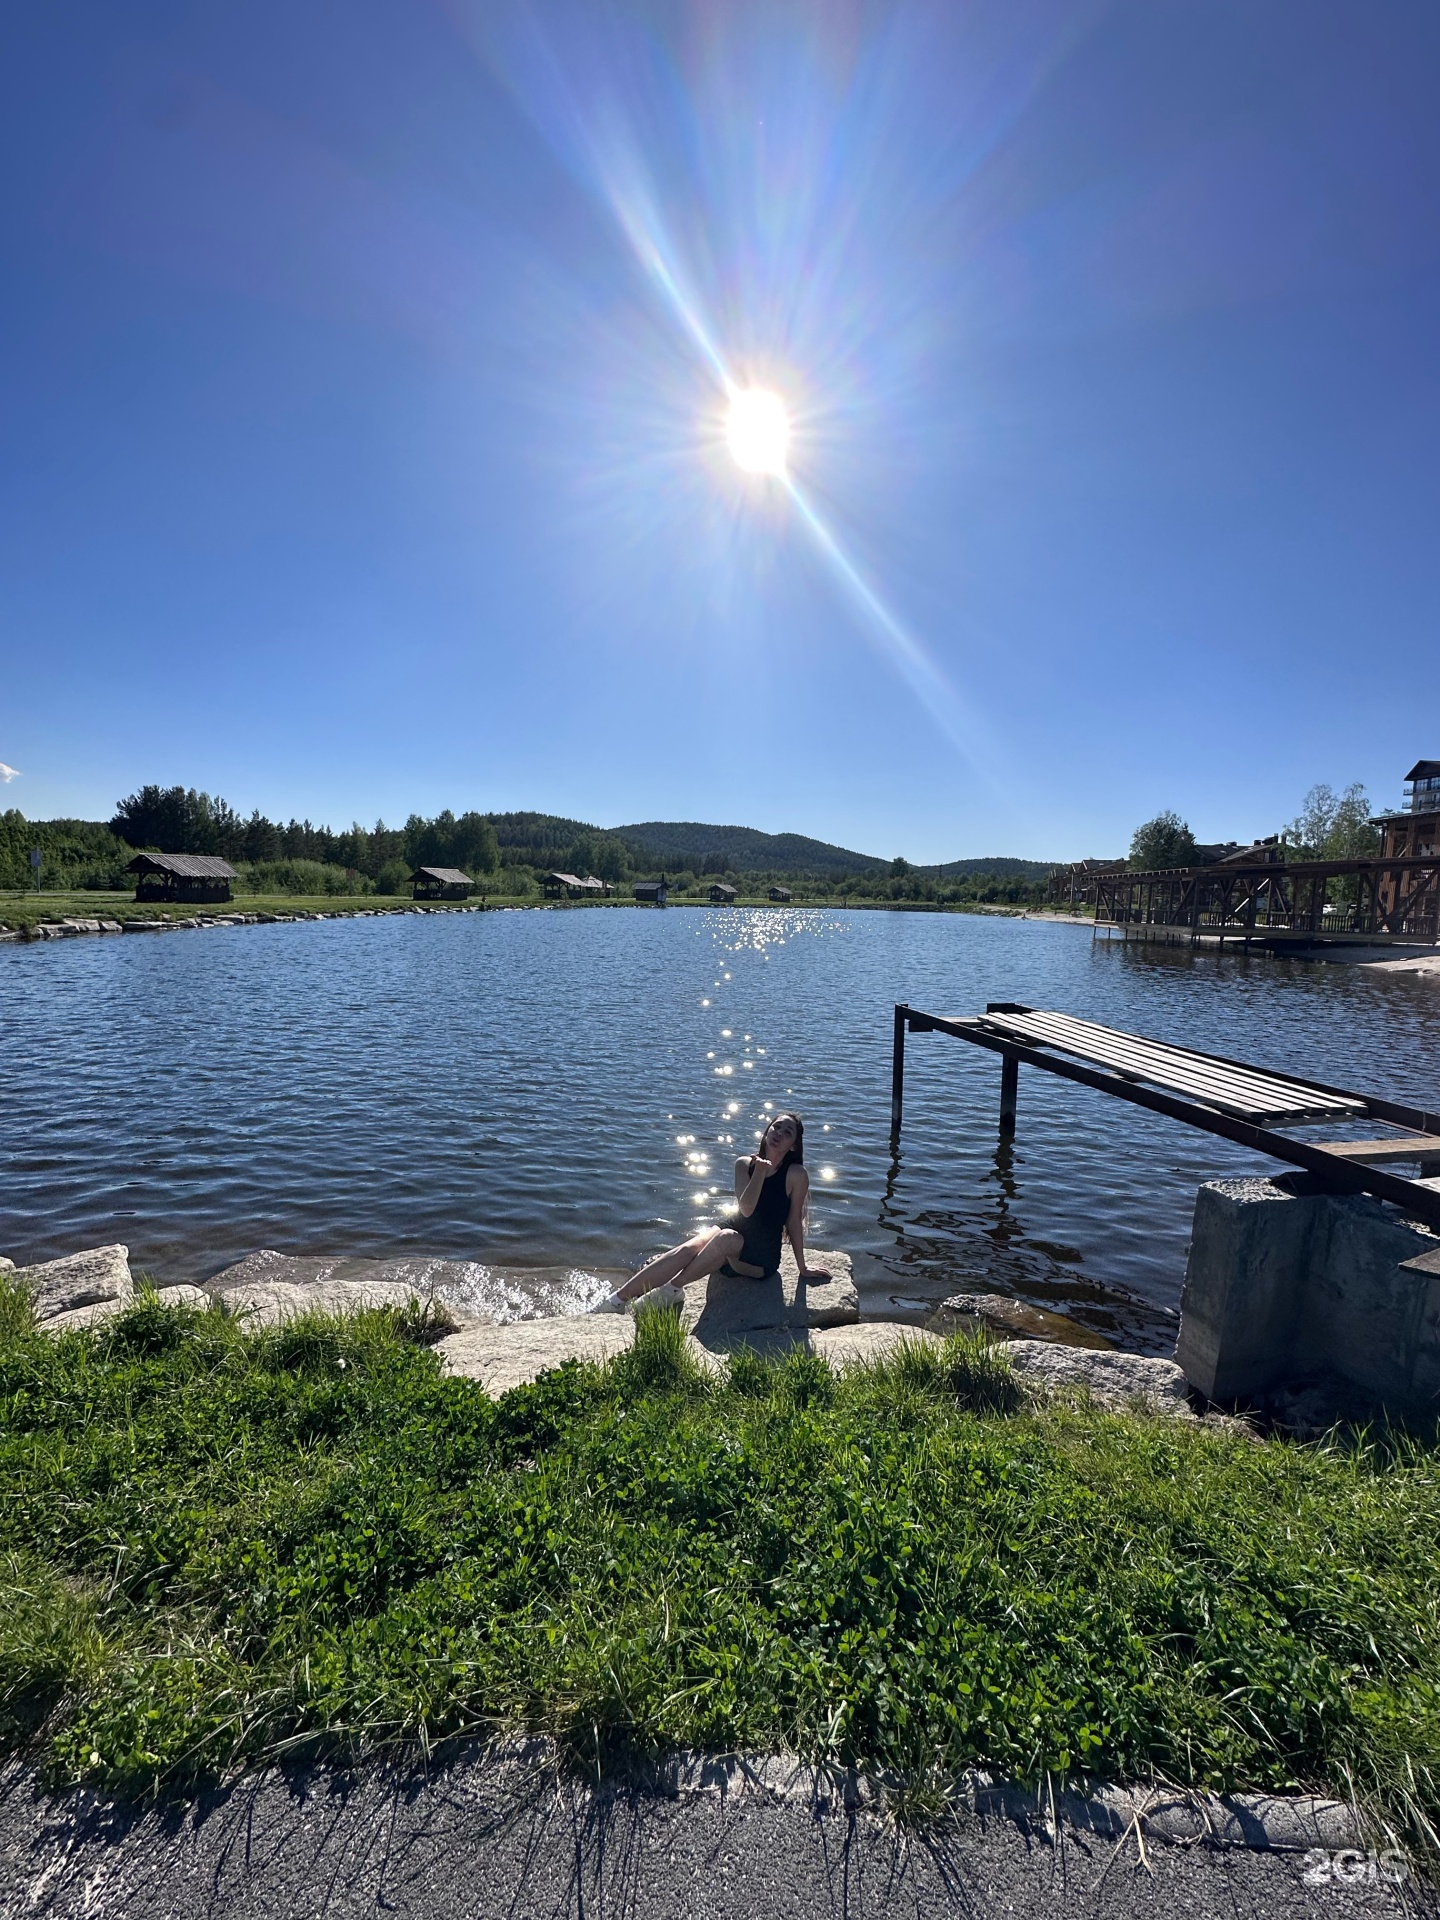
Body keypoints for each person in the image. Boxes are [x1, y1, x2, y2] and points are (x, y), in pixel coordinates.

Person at [592, 1111, 829, 1311]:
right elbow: (745, 1210)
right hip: (735, 1229)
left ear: (793, 1146)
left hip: (759, 1255)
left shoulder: (796, 1174)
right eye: (776, 1127)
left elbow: (794, 1221)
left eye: (787, 1132)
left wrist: (802, 1267)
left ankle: (672, 1289)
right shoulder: (744, 1163)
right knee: (688, 1248)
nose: (779, 1133)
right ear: (766, 1131)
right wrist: (758, 1171)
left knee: (725, 1238)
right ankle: (615, 1301)